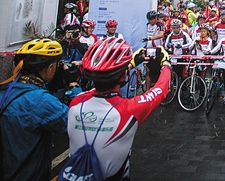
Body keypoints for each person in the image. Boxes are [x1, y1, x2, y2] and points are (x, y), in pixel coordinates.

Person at [68, 37, 172, 180]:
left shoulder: (76, 102)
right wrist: (166, 64)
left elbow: (96, 89)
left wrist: (127, 66)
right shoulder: (129, 110)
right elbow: (161, 88)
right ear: (123, 76)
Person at [0, 38, 68, 181]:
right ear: (50, 68)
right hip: (28, 175)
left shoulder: (1, 91)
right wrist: (74, 85)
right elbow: (73, 123)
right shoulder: (41, 100)